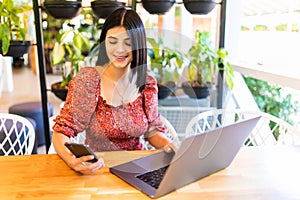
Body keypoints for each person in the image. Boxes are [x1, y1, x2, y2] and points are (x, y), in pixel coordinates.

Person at [52, 7, 177, 175]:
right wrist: (70, 160)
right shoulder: (88, 81)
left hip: (137, 169)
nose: (119, 50)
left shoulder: (146, 84)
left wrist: (169, 144)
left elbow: (152, 131)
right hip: (97, 170)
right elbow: (62, 132)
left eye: (128, 43)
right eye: (112, 42)